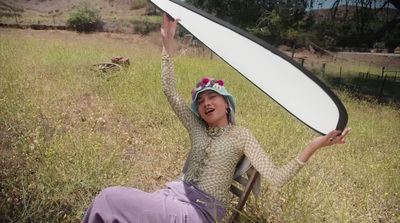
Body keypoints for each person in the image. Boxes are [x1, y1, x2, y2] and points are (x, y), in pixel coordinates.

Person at [82, 13, 351, 223]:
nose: (206, 103)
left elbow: (277, 179)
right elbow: (169, 90)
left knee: (109, 198)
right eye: (200, 101)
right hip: (173, 196)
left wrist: (314, 146)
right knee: (118, 200)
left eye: (212, 97)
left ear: (227, 104)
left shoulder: (241, 135)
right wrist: (168, 46)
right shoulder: (197, 128)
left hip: (197, 215)